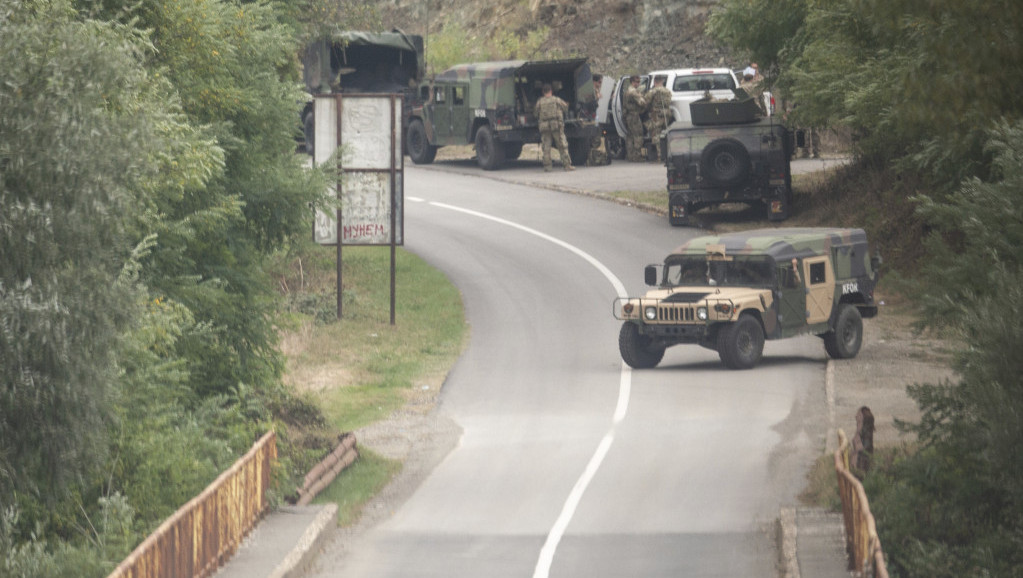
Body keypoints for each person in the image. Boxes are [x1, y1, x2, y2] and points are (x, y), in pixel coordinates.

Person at [535, 83, 574, 171]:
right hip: (556, 126)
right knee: (562, 145)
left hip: (544, 126)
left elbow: (535, 113)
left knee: (546, 147)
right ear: (551, 91)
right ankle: (567, 165)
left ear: (543, 92)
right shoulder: (557, 100)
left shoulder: (540, 102)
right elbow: (565, 108)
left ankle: (547, 167)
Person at [644, 75, 672, 161]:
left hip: (657, 115)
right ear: (662, 81)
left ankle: (660, 156)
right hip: (667, 114)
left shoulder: (653, 91)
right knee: (666, 134)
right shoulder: (667, 91)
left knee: (657, 135)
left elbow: (646, 101)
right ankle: (668, 154)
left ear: (655, 82)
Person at [587, 74, 611, 166]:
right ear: (595, 81)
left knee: (597, 138)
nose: (600, 84)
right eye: (600, 82)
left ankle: (593, 158)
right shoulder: (591, 90)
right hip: (593, 117)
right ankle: (591, 159)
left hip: (597, 116)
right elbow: (589, 102)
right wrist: (598, 97)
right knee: (595, 139)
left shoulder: (596, 90)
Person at [623, 75, 647, 162]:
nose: (638, 83)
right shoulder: (633, 92)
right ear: (632, 82)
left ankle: (630, 155)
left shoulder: (627, 91)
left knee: (630, 136)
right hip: (634, 116)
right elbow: (642, 102)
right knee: (638, 135)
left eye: (639, 81)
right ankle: (637, 156)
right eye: (636, 82)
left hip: (628, 116)